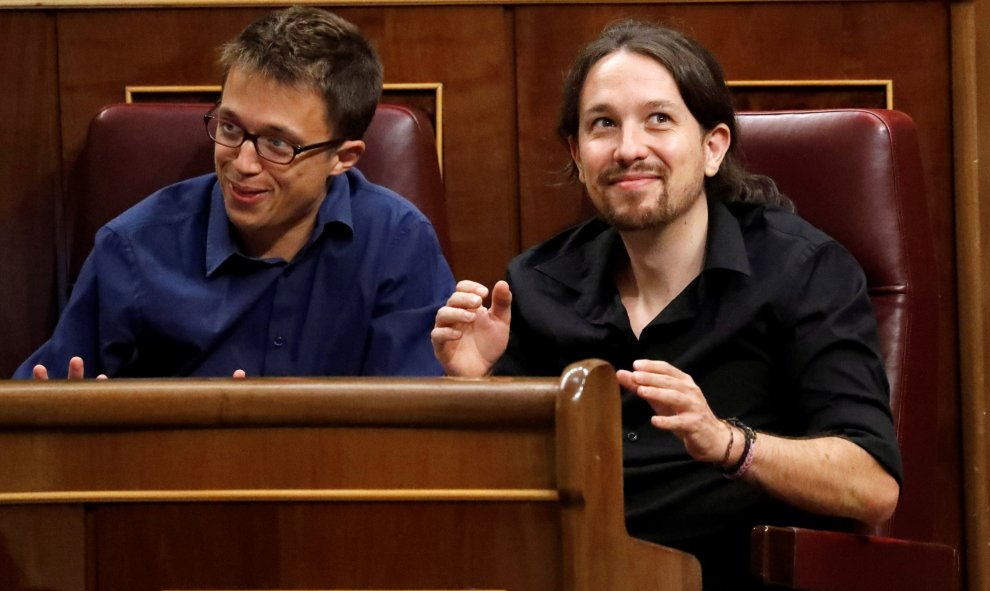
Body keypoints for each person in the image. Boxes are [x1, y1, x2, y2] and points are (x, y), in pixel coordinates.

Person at [431, 20, 901, 589]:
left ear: (712, 147)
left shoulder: (802, 270)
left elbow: (873, 489)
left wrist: (726, 443)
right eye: (604, 124)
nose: (630, 149)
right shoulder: (534, 284)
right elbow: (498, 503)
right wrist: (476, 388)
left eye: (659, 119)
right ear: (578, 155)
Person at [15, 7, 454, 379]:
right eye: (230, 128)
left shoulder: (398, 242)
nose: (242, 164)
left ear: (344, 157)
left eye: (278, 143)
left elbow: (413, 428)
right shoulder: (133, 248)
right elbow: (44, 407)